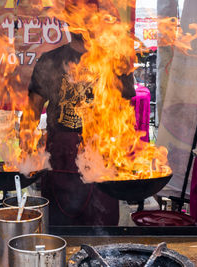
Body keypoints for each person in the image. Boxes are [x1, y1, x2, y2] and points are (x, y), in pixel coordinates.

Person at [21, 5, 135, 225]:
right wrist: (26, 148)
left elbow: (126, 112)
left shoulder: (115, 61)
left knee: (103, 233)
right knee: (59, 230)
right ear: (68, 19)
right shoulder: (51, 60)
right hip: (60, 158)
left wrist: (125, 153)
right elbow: (32, 109)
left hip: (101, 156)